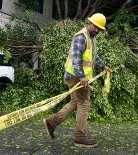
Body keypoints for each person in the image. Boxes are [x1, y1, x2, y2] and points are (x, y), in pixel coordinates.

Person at [43, 13, 112, 148]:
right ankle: (80, 137)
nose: (97, 31)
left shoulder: (91, 38)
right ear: (90, 23)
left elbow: (93, 57)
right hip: (75, 76)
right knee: (84, 103)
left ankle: (51, 123)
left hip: (76, 76)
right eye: (96, 27)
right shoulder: (81, 37)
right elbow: (76, 59)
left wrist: (103, 66)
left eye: (100, 29)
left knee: (76, 102)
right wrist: (81, 76)